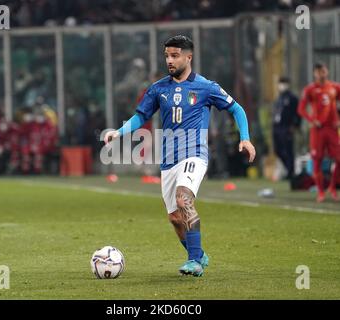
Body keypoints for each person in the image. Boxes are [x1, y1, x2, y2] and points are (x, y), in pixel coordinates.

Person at [104, 35, 256, 277]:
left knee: (184, 198)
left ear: (189, 57)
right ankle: (199, 255)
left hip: (194, 154)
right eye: (167, 56)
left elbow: (236, 108)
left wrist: (245, 137)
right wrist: (119, 132)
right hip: (168, 160)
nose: (170, 61)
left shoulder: (206, 87)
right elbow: (141, 116)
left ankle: (194, 260)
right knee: (175, 218)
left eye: (175, 56)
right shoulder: (158, 88)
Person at [298, 62, 340, 203]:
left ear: (326, 71)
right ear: (315, 73)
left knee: (339, 159)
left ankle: (333, 188)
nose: (321, 74)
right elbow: (301, 109)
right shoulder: (310, 89)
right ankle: (321, 192)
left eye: (323, 71)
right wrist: (311, 119)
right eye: (318, 71)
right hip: (318, 130)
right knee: (317, 160)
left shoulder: (335, 87)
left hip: (332, 129)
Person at [272, 76, 301, 180]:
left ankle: (291, 172)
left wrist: (295, 125)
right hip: (277, 127)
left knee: (288, 150)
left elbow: (298, 113)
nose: (282, 85)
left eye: (283, 83)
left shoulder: (292, 98)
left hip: (287, 127)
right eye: (280, 83)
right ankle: (288, 168)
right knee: (278, 150)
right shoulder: (279, 98)